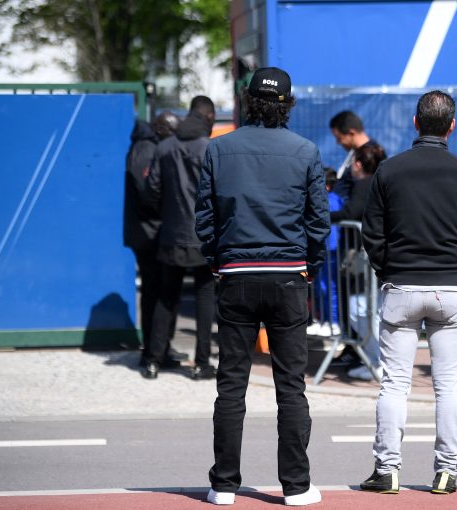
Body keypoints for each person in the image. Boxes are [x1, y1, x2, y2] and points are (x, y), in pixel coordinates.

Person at [195, 67, 329, 506]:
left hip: (235, 275)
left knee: (231, 383)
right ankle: (296, 486)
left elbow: (206, 220)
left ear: (247, 101)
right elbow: (317, 223)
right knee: (291, 385)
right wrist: (309, 266)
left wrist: (218, 262)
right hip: (289, 274)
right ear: (287, 104)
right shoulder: (305, 151)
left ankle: (223, 485)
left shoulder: (219, 150)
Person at [360, 90, 457, 495]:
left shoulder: (389, 171)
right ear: (452, 126)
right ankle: (446, 472)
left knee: (394, 385)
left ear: (415, 123)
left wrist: (388, 270)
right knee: (448, 386)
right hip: (451, 288)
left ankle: (386, 470)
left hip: (402, 285)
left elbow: (372, 234)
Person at [141, 96, 217, 381]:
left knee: (166, 296)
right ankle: (201, 362)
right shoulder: (209, 149)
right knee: (205, 297)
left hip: (171, 233)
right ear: (209, 117)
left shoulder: (164, 147)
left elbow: (152, 191)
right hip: (203, 234)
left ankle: (153, 359)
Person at [123, 111, 181, 366]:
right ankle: (154, 350)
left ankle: (158, 348)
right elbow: (148, 192)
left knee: (157, 292)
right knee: (155, 293)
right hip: (149, 234)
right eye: (172, 132)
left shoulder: (146, 146)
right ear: (160, 129)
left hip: (149, 231)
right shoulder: (146, 149)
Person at [330, 143, 387, 381]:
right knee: (364, 310)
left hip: (364, 256)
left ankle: (377, 361)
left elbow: (351, 213)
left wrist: (323, 216)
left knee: (359, 310)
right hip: (369, 255)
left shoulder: (364, 185)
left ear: (358, 164)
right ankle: (374, 360)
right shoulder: (379, 183)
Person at [307, 167, 343, 337]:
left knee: (330, 288)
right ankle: (322, 320)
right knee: (320, 287)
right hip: (321, 248)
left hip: (331, 249)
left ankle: (333, 322)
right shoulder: (321, 199)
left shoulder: (333, 200)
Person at [328, 110, 381, 201]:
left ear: (351, 133)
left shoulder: (371, 155)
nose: (338, 143)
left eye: (339, 138)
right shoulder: (356, 152)